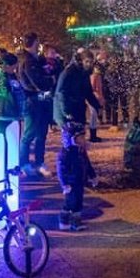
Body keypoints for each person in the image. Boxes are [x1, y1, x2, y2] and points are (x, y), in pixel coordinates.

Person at [54, 49, 102, 184]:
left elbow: (87, 92)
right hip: (67, 114)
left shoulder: (84, 73)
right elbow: (61, 93)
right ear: (81, 60)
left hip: (77, 111)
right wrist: (66, 112)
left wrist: (97, 106)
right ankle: (81, 175)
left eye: (91, 62)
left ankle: (83, 173)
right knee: (73, 145)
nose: (90, 64)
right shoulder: (69, 72)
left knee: (79, 144)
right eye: (87, 61)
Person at [17, 32, 54, 178]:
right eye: (38, 42)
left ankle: (39, 163)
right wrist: (50, 80)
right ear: (35, 43)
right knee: (29, 134)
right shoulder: (28, 61)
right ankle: (24, 164)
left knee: (41, 134)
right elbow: (38, 82)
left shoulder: (36, 59)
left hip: (40, 101)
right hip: (33, 101)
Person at [55, 120, 89, 232]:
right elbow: (61, 170)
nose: (83, 140)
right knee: (70, 203)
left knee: (78, 202)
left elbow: (87, 163)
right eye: (80, 138)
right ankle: (63, 220)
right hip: (70, 183)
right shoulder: (65, 154)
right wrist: (64, 184)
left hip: (79, 181)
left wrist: (92, 176)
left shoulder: (80, 151)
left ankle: (76, 222)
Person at [0, 53, 26, 139]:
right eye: (14, 67)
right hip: (1, 115)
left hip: (12, 115)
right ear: (7, 66)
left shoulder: (11, 76)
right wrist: (2, 75)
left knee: (13, 146)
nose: (15, 70)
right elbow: (3, 91)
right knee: (4, 145)